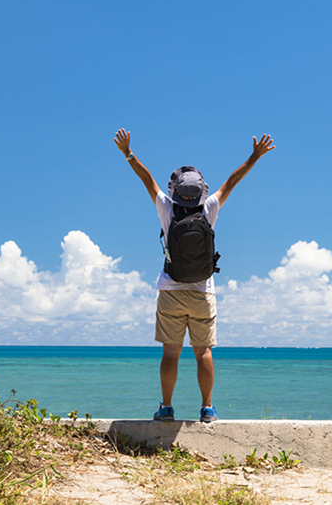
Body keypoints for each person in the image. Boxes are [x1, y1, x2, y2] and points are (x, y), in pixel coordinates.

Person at [113, 128, 275, 422]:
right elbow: (232, 182)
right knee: (203, 353)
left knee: (171, 353)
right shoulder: (210, 207)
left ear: (175, 190)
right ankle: (207, 408)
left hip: (170, 290)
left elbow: (146, 179)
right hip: (203, 292)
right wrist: (254, 156)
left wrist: (128, 153)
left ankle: (166, 409)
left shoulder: (166, 208)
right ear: (201, 192)